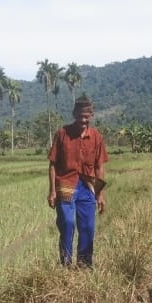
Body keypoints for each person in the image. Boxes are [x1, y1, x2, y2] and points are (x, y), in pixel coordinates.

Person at [47, 96, 107, 267]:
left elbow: (99, 167)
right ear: (74, 114)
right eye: (80, 116)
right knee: (67, 223)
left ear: (91, 116)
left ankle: (84, 264)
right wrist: (52, 191)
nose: (83, 120)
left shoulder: (96, 137)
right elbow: (52, 165)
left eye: (86, 116)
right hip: (66, 183)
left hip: (88, 187)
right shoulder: (62, 134)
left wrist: (100, 194)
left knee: (87, 227)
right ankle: (65, 263)